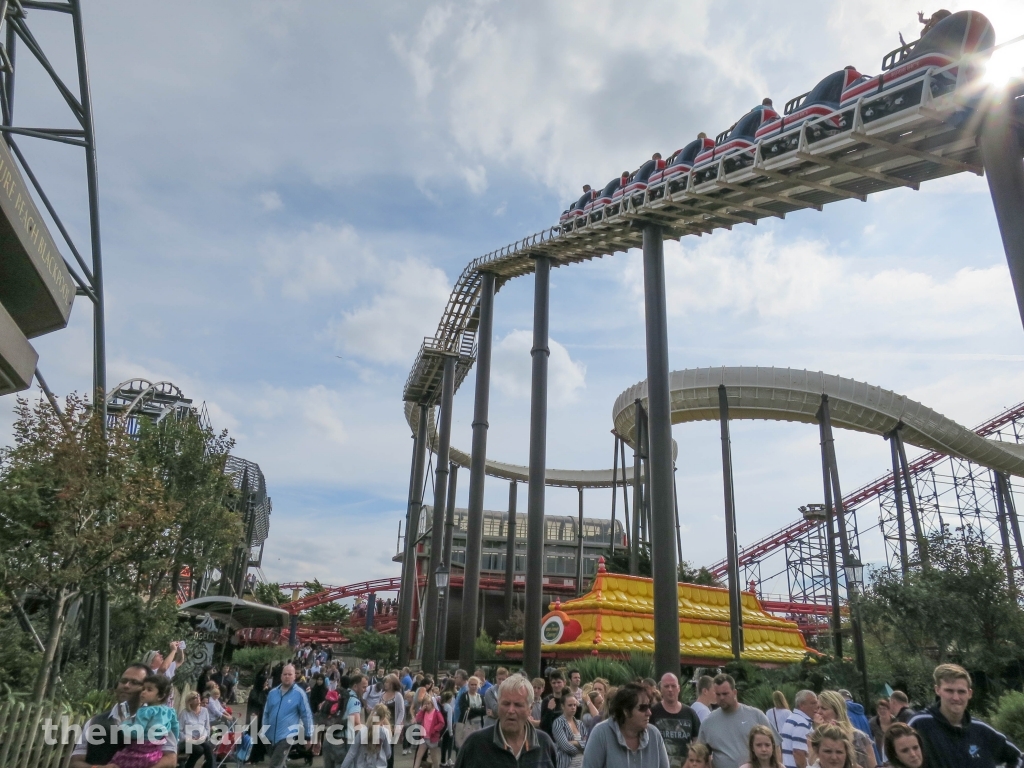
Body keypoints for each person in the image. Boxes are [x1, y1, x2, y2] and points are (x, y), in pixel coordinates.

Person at [908, 664, 1021, 768]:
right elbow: (893, 758)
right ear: (937, 690)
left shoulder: (982, 730)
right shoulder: (919, 724)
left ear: (970, 693)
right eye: (949, 691)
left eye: (961, 692)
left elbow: (1019, 759)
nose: (956, 697)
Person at [69, 664, 179, 768]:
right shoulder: (94, 722)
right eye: (123, 681)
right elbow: (75, 762)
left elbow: (170, 759)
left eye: (134, 682)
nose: (126, 686)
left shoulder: (159, 720)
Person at [454, 675, 557, 768]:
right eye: (506, 704)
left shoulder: (544, 744)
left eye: (518, 705)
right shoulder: (475, 744)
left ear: (530, 709)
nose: (511, 710)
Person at [582, 682, 669, 768]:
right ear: (626, 711)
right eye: (643, 708)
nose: (649, 713)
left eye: (649, 707)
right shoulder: (601, 734)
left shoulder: (654, 735)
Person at [697, 674, 775, 768]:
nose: (721, 697)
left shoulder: (756, 715)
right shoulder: (708, 722)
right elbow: (699, 755)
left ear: (734, 692)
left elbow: (775, 747)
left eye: (725, 694)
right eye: (718, 694)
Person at [111, 673, 180, 768]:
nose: (143, 692)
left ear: (160, 696)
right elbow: (175, 728)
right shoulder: (170, 711)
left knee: (118, 760)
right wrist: (175, 739)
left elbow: (136, 733)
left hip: (141, 750)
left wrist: (125, 724)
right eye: (143, 689)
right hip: (156, 752)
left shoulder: (145, 711)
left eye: (149, 690)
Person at [263, 663, 315, 768]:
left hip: (287, 736)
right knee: (279, 762)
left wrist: (308, 736)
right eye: (285, 674)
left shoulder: (299, 694)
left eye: (290, 674)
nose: (287, 676)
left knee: (274, 765)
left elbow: (306, 715)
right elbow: (266, 712)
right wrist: (264, 730)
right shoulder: (273, 693)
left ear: (294, 676)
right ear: (281, 676)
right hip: (270, 735)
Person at [650, 672, 701, 768]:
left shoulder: (690, 713)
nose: (670, 689)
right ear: (660, 689)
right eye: (666, 686)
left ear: (678, 688)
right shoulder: (652, 713)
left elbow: (697, 744)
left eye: (673, 686)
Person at [814, 691, 876, 768]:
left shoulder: (859, 737)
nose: (819, 712)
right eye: (817, 708)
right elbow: (812, 762)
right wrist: (819, 731)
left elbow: (873, 765)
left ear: (837, 711)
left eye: (824, 708)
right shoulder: (813, 736)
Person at [341, 703, 393, 768]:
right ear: (383, 718)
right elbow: (388, 754)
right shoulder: (384, 732)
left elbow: (351, 753)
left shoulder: (362, 731)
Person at [780, 691, 817, 768]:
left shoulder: (792, 718)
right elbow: (798, 753)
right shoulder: (801, 723)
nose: (816, 706)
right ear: (802, 705)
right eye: (813, 703)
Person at [180, 690, 215, 768]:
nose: (198, 698)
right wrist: (188, 738)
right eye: (194, 698)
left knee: (208, 747)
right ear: (190, 702)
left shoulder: (205, 711)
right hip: (188, 741)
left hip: (201, 739)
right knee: (199, 750)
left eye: (198, 696)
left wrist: (203, 736)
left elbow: (207, 728)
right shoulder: (184, 713)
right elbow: (179, 731)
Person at [552, 694, 588, 768]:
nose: (573, 707)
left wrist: (576, 742)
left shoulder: (580, 724)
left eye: (575, 705)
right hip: (566, 764)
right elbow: (566, 747)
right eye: (570, 705)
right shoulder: (558, 723)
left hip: (582, 764)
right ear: (562, 706)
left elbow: (588, 743)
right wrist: (582, 749)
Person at [381, 674, 406, 768]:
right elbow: (377, 711)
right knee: (381, 750)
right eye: (385, 682)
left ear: (392, 683)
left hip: (392, 727)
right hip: (382, 727)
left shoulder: (398, 695)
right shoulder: (382, 695)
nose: (385, 684)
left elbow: (401, 711)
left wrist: (398, 725)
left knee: (389, 750)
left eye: (387, 682)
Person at [415, 696, 447, 768]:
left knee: (433, 757)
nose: (427, 705)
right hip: (424, 737)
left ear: (432, 704)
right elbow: (418, 719)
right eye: (425, 704)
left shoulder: (436, 713)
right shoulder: (424, 712)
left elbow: (442, 723)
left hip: (432, 738)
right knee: (419, 755)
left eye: (428, 703)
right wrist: (421, 710)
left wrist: (434, 729)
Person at [248, 670, 272, 764]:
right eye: (265, 682)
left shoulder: (265, 692)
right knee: (254, 737)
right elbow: (259, 702)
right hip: (254, 718)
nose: (266, 684)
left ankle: (258, 757)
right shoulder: (254, 692)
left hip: (262, 718)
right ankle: (251, 757)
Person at [541, 671, 568, 735]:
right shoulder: (547, 700)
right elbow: (543, 726)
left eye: (559, 682)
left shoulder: (569, 699)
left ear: (564, 682)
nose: (556, 685)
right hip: (552, 737)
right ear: (550, 683)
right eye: (554, 683)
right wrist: (549, 710)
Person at [868, 700, 891, 764]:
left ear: (889, 710)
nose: (882, 711)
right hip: (879, 756)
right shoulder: (872, 723)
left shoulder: (896, 722)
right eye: (879, 708)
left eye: (884, 709)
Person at [440, 690, 456, 767]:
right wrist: (451, 731)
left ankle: (442, 760)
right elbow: (449, 720)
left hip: (442, 728)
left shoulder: (442, 706)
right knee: (448, 745)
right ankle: (446, 760)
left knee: (443, 746)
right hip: (447, 729)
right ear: (449, 698)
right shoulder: (449, 707)